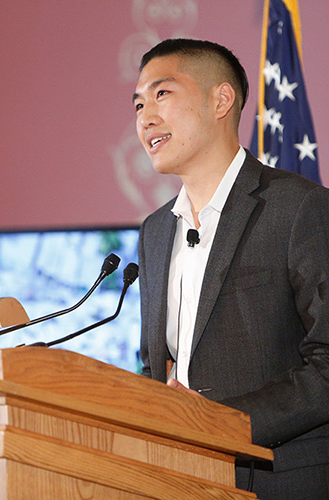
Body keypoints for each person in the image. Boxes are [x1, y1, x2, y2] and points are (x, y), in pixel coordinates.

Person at [135, 38, 329, 499]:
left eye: (162, 94)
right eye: (138, 103)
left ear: (221, 100)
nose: (145, 117)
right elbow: (156, 366)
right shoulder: (155, 231)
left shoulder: (299, 207)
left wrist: (220, 425)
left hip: (281, 481)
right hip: (182, 482)